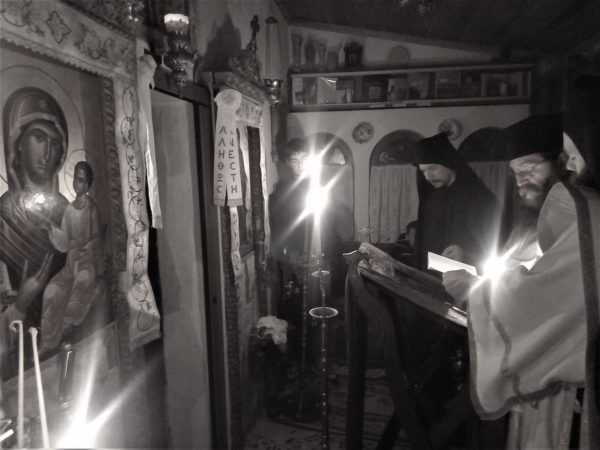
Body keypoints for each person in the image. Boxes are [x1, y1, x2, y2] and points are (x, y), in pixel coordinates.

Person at [443, 80, 600, 448]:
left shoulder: (585, 214)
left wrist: (475, 292)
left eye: (530, 167)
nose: (521, 180)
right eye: (515, 173)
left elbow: (547, 298)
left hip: (572, 392)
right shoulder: (541, 217)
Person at [0, 87, 69, 377]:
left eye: (55, 143)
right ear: (18, 143)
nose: (48, 153)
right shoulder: (3, 215)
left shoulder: (67, 210)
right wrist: (22, 300)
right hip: (19, 366)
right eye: (39, 137)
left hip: (64, 348)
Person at [40, 161, 104, 352]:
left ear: (88, 184)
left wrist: (86, 248)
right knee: (51, 290)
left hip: (86, 263)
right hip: (70, 266)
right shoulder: (68, 210)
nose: (77, 183)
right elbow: (64, 241)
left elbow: (96, 238)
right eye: (76, 178)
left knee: (83, 279)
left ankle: (68, 327)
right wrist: (51, 228)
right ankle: (48, 341)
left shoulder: (91, 208)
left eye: (81, 180)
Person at [412, 132, 500, 270]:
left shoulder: (479, 197)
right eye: (423, 171)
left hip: (466, 276)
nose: (428, 176)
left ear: (448, 163)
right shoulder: (432, 199)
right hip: (431, 277)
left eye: (433, 168)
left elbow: (494, 241)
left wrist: (467, 254)